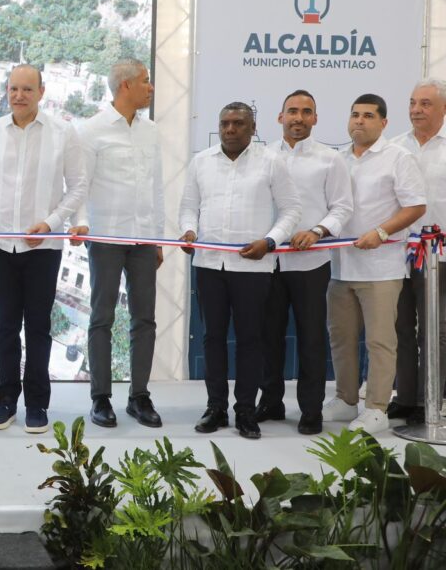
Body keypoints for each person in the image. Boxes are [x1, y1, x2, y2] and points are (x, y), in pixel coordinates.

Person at [0, 64, 87, 434]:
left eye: (26, 89)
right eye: (13, 89)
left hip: (44, 247)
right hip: (1, 245)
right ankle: (5, 401)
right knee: (5, 328)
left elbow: (78, 186)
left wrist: (52, 223)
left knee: (37, 328)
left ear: (41, 91)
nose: (18, 95)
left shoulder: (62, 133)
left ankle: (37, 404)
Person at [178, 102, 301, 439]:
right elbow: (188, 208)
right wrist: (188, 231)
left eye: (238, 123)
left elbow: (291, 211)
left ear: (252, 128)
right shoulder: (201, 162)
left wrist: (270, 241)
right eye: (225, 123)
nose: (230, 129)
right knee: (212, 338)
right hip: (208, 264)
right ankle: (215, 408)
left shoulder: (271, 162)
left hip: (254, 265)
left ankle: (246, 410)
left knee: (250, 340)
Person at [70, 58, 164, 429]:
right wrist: (80, 225)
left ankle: (139, 396)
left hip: (143, 239)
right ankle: (101, 398)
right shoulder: (90, 130)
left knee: (145, 319)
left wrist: (158, 239)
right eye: (146, 81)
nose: (151, 87)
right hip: (106, 237)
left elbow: (157, 187)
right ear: (126, 86)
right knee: (102, 318)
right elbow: (79, 185)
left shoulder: (151, 131)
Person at [324, 94, 426, 434]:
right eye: (354, 114)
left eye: (368, 115)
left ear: (383, 123)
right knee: (341, 338)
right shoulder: (338, 159)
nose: (359, 121)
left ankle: (377, 407)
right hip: (341, 267)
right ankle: (346, 399)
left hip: (381, 269)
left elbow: (415, 206)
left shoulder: (398, 157)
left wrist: (381, 232)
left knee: (381, 341)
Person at [257, 90, 353, 435]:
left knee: (312, 338)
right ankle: (270, 401)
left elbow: (343, 207)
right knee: (269, 336)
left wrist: (317, 231)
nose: (298, 117)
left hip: (311, 263)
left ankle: (311, 410)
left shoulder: (331, 159)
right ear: (280, 117)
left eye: (306, 112)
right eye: (292, 111)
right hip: (267, 262)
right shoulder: (261, 155)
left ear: (315, 118)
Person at [390, 79, 446, 425]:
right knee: (400, 328)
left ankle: (432, 398)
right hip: (399, 253)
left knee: (436, 330)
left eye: (425, 104)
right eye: (412, 103)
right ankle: (406, 397)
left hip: (441, 257)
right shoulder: (395, 148)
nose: (415, 110)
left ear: (443, 108)